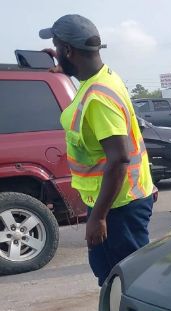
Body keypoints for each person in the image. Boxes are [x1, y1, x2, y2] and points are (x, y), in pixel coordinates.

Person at [39, 14, 154, 286]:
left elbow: (119, 159)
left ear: (69, 50)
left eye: (57, 47)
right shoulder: (102, 77)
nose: (55, 52)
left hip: (118, 206)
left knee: (127, 281)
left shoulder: (99, 97)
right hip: (115, 200)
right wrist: (62, 67)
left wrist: (99, 217)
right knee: (116, 277)